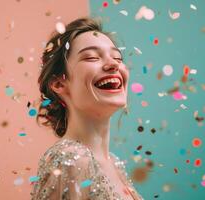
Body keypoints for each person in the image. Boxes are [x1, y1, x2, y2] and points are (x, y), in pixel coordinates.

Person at [31, 16, 144, 200]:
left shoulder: (115, 163)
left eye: (117, 57)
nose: (113, 64)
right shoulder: (71, 158)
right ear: (59, 83)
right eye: (91, 57)